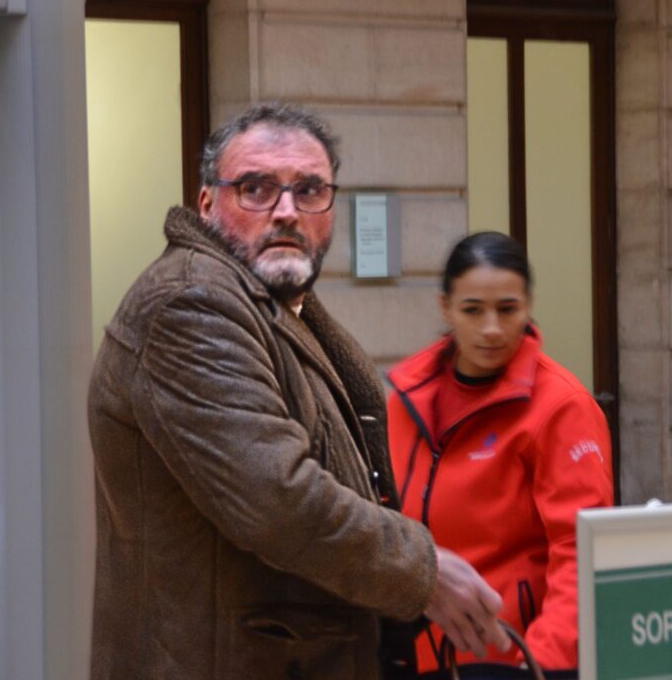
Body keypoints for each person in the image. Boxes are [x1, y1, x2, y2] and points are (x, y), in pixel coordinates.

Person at [87, 102, 509, 680]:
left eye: (310, 190)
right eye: (256, 188)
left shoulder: (281, 309)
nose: (286, 211)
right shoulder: (190, 304)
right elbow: (277, 498)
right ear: (207, 204)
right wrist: (422, 572)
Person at [386, 231, 614, 674]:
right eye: (473, 310)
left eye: (507, 309)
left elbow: (580, 552)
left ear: (527, 307)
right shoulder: (405, 399)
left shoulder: (560, 406)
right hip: (420, 656)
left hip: (514, 659)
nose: (491, 328)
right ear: (446, 308)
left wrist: (539, 664)